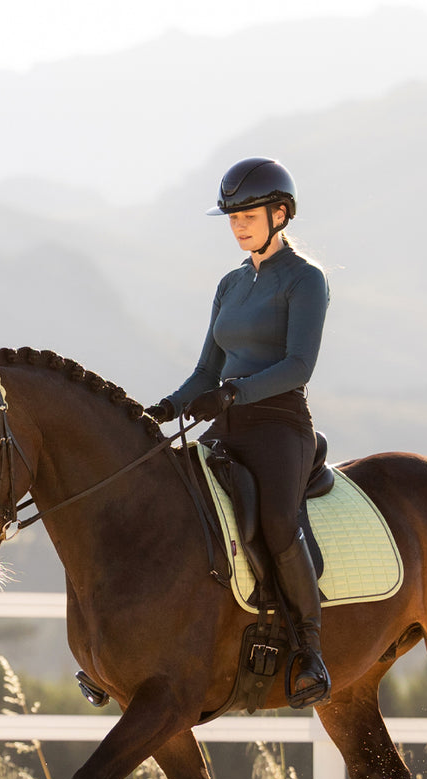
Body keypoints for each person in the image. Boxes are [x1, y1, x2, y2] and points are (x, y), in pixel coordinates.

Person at [151, 156, 331, 707]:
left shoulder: (306, 279)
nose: (238, 225)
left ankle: (309, 649)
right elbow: (207, 370)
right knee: (170, 502)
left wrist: (235, 392)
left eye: (248, 214)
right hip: (225, 422)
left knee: (276, 521)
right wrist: (164, 407)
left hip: (279, 426)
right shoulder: (229, 284)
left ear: (281, 213)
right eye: (231, 217)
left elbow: (299, 365)